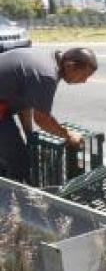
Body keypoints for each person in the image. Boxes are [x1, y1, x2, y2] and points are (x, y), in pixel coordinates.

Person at [0, 47, 98, 182]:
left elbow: (26, 103)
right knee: (18, 160)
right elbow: (42, 119)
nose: (84, 81)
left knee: (9, 153)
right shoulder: (46, 75)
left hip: (3, 104)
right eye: (83, 75)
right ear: (70, 66)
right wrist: (68, 135)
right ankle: (16, 197)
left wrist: (29, 136)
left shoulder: (50, 58)